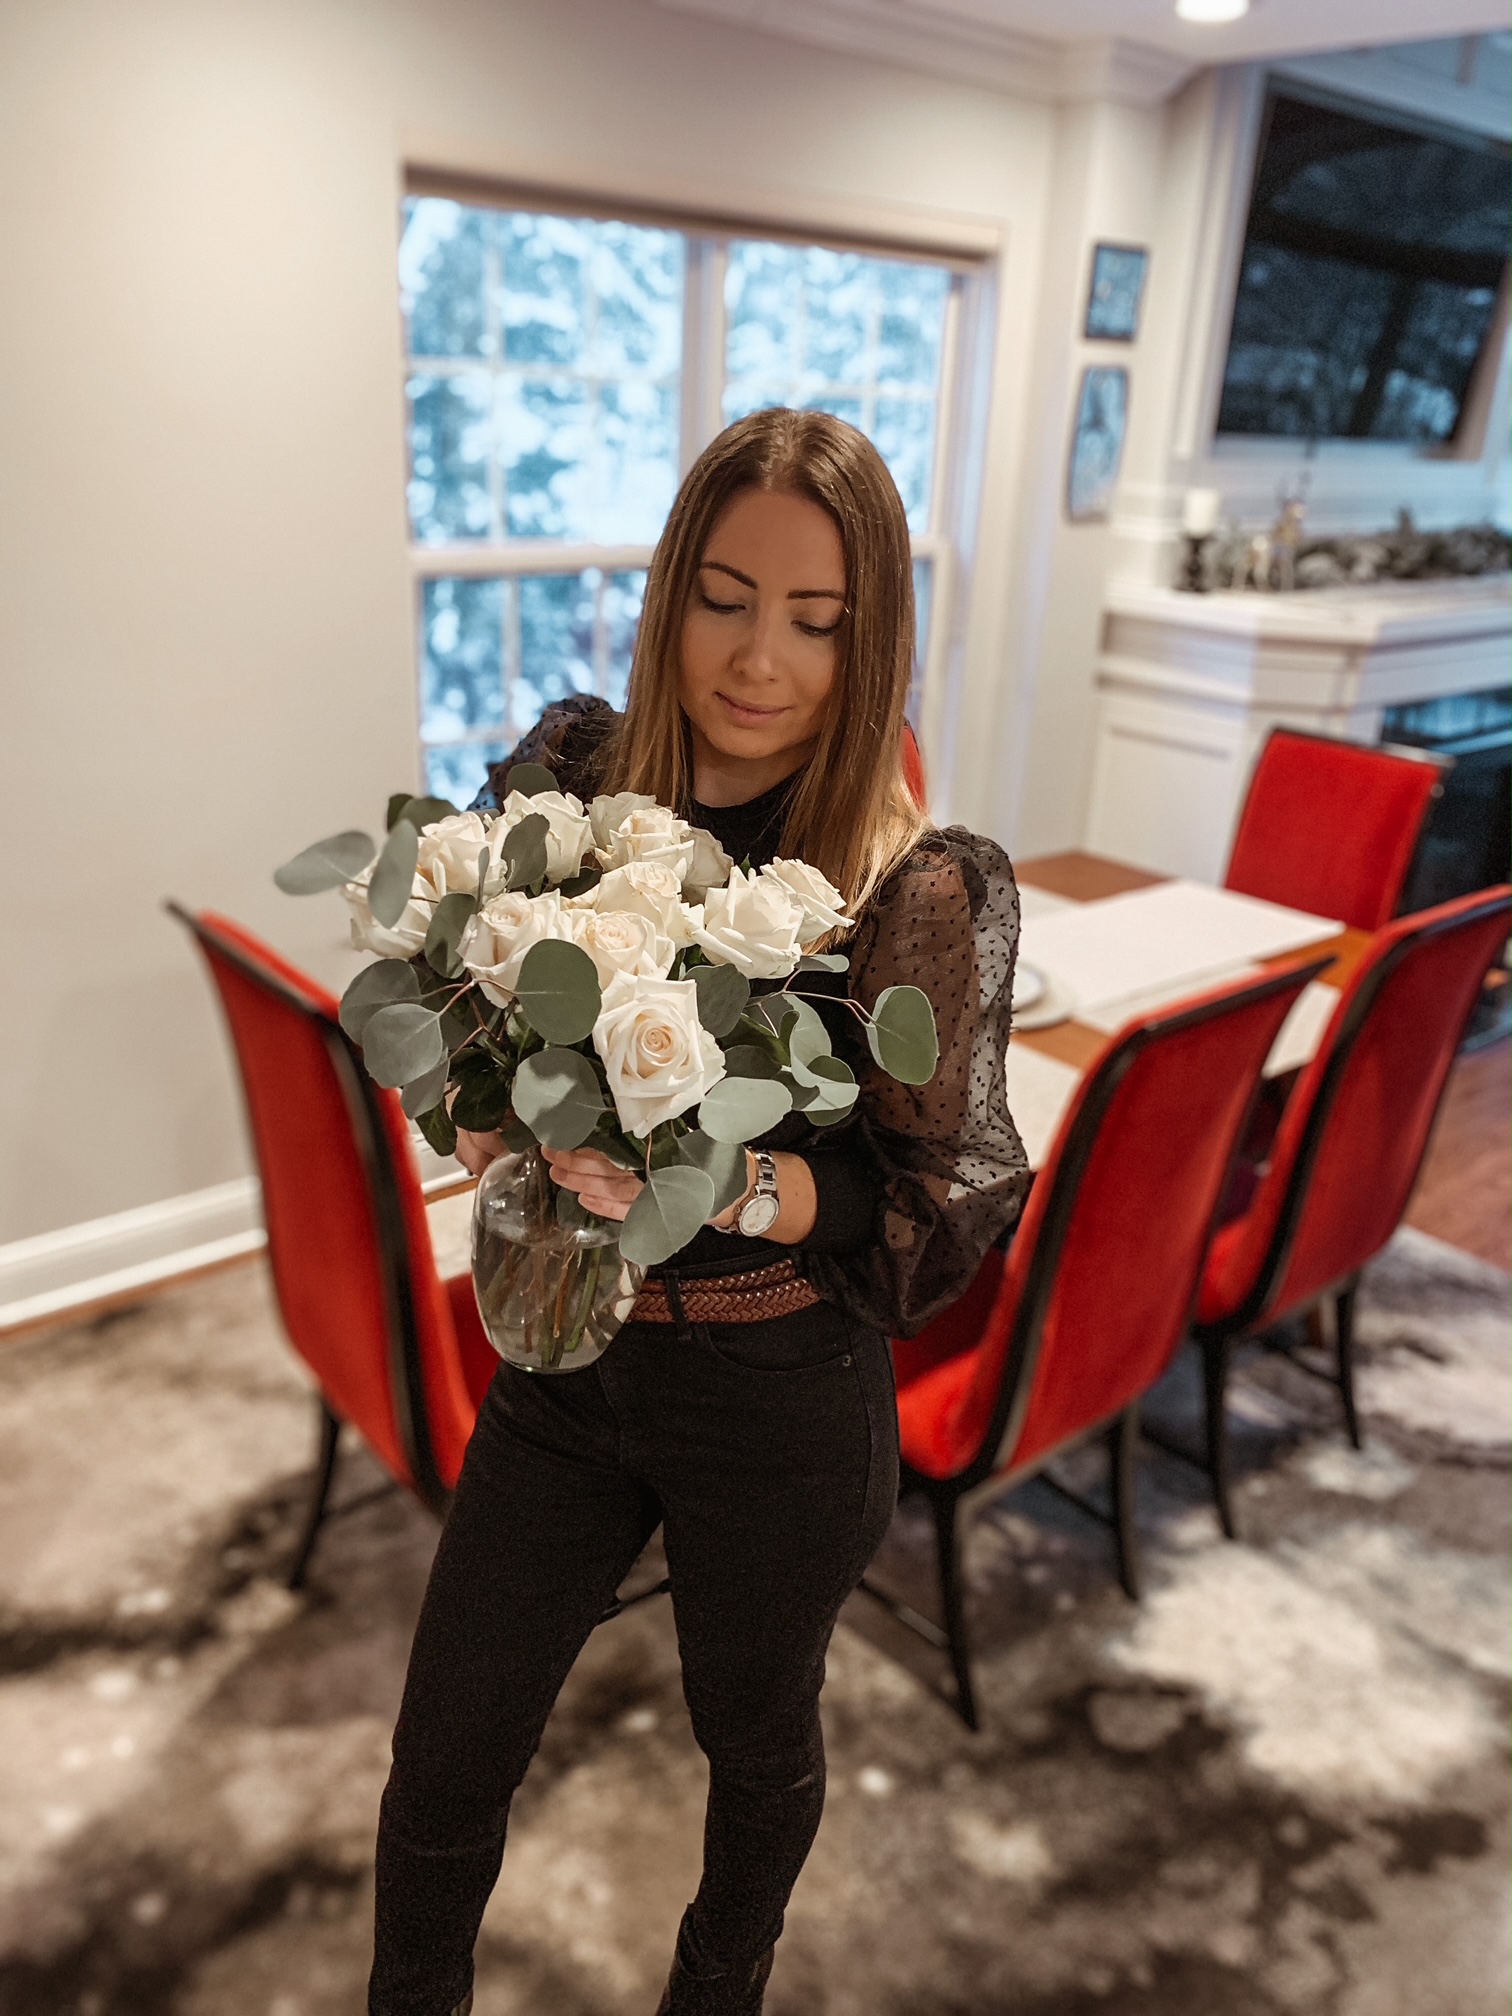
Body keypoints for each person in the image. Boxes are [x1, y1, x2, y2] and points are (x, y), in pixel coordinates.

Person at [369, 408, 1029, 2016]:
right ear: (675, 591)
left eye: (819, 622)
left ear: (871, 639)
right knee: (443, 1757)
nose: (760, 661)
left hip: (783, 1397)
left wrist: (714, 1180)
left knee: (756, 1746)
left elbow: (915, 1192)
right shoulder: (566, 793)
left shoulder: (909, 885)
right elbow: (447, 1013)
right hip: (568, 1370)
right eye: (727, 598)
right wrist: (478, 1114)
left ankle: (716, 1992)